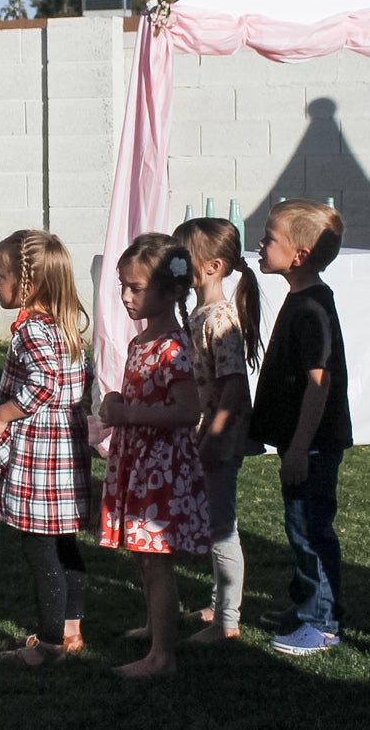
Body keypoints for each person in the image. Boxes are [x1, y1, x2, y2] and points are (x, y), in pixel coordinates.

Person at [0, 229, 93, 667]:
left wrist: (3, 414)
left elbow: (44, 383)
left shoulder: (34, 329)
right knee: (64, 540)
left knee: (40, 548)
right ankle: (70, 628)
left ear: (28, 285)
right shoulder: (66, 327)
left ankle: (50, 646)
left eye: (2, 275)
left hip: (42, 457)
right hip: (66, 453)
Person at [97, 233, 207, 679]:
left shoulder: (174, 348)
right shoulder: (142, 343)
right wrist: (119, 404)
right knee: (144, 555)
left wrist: (128, 412)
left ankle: (163, 656)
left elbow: (187, 410)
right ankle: (157, 628)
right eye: (123, 285)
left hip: (163, 468)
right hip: (140, 463)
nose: (125, 296)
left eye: (136, 288)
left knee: (157, 557)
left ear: (172, 291)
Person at [253, 200, 354, 657]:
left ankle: (323, 621)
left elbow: (319, 383)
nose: (261, 242)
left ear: (298, 255)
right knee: (299, 525)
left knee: (311, 530)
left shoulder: (312, 308)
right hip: (301, 444)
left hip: (311, 445)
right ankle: (307, 605)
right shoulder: (301, 297)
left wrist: (299, 447)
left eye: (270, 237)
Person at [172, 216, 262, 644]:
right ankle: (216, 605)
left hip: (218, 440)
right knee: (212, 524)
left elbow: (233, 389)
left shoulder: (220, 317)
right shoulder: (200, 311)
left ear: (212, 266)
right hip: (204, 437)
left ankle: (227, 619)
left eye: (181, 256)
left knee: (222, 528)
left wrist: (214, 437)